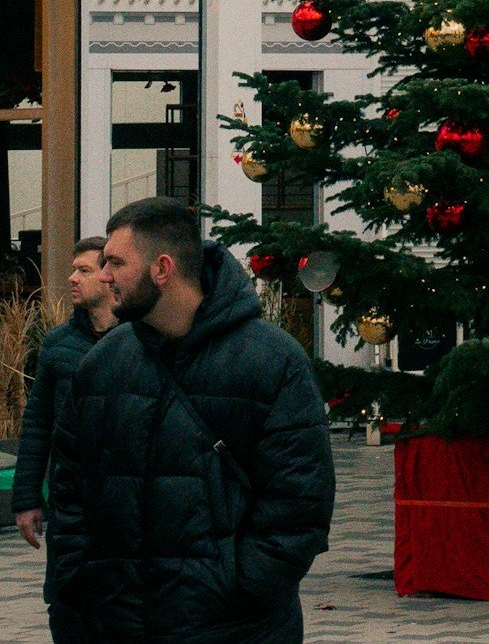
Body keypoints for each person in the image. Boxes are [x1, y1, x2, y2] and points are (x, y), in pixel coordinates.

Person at [49, 198, 333, 644]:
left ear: (162, 268)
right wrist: (78, 588)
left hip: (234, 629)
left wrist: (242, 590)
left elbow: (300, 502)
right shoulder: (103, 363)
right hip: (117, 624)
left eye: (116, 263)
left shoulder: (272, 361)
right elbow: (70, 488)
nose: (103, 276)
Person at [12, 236, 110, 643]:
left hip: (123, 498)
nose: (72, 278)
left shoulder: (142, 340)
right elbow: (37, 423)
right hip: (70, 502)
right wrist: (26, 498)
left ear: (109, 277)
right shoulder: (58, 344)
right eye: (72, 269)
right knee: (67, 605)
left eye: (84, 270)